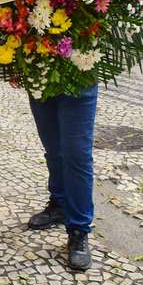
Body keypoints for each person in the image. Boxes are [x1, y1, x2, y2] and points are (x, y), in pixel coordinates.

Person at [25, 86, 98, 271]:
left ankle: (79, 229)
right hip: (40, 77)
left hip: (79, 78)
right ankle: (59, 205)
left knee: (77, 155)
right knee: (53, 150)